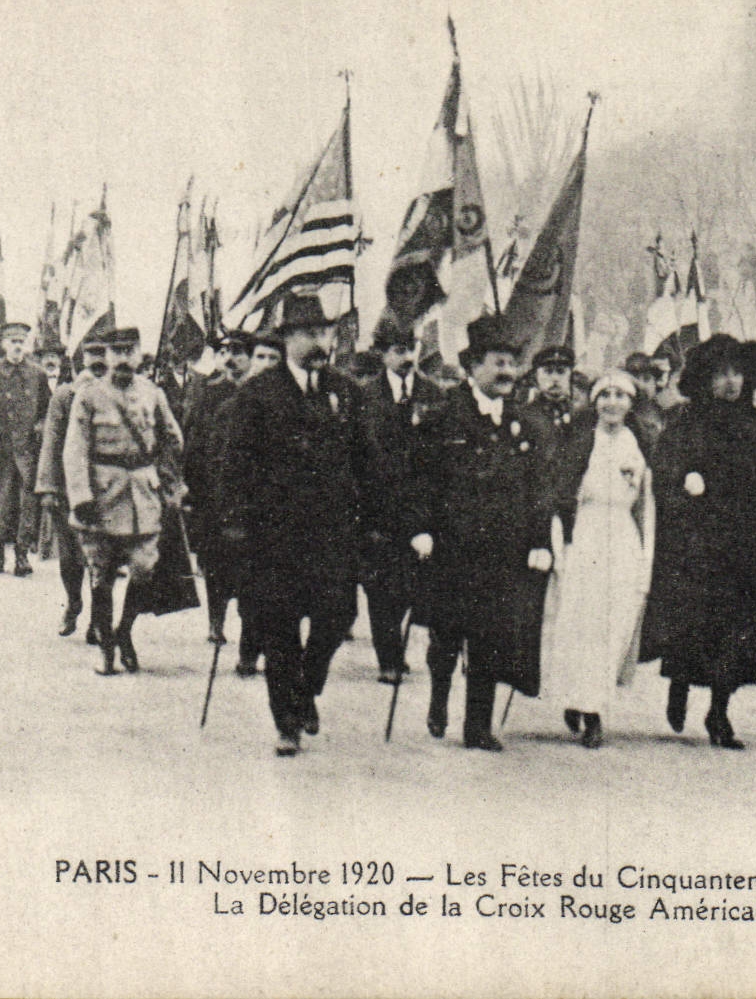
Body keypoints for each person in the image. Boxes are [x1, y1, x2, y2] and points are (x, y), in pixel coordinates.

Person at [214, 298, 362, 755]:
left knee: (338, 616)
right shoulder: (258, 395)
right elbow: (232, 465)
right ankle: (287, 724)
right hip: (274, 536)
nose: (321, 342)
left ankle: (306, 686)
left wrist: (381, 518)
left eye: (325, 333)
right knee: (279, 629)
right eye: (310, 334)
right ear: (288, 338)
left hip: (332, 534)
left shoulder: (345, 390)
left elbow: (367, 460)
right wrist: (235, 524)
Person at [408, 313, 554, 751]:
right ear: (473, 367)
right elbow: (420, 479)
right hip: (453, 547)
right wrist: (420, 529)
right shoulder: (443, 417)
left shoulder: (526, 424)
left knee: (490, 637)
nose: (507, 371)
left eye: (512, 362)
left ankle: (478, 727)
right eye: (498, 362)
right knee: (448, 634)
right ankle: (438, 697)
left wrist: (540, 541)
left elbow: (538, 490)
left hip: (502, 551)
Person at [639, 334, 756, 749]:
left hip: (743, 545)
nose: (731, 382)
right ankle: (680, 684)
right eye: (721, 373)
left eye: (737, 372)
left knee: (737, 634)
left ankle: (719, 713)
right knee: (693, 628)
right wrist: (685, 482)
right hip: (696, 543)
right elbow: (663, 474)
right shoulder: (686, 422)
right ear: (705, 379)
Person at [538, 371, 654, 748]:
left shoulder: (638, 446)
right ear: (595, 401)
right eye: (605, 395)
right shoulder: (580, 442)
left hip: (621, 538)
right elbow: (561, 495)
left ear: (631, 404)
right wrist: (562, 545)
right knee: (582, 625)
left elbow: (645, 507)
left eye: (621, 395)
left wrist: (644, 555)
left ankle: (597, 707)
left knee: (613, 625)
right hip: (586, 535)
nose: (612, 402)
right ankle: (581, 704)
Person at [63, 326, 183, 675]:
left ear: (140, 353)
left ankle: (124, 632)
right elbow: (75, 450)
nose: (123, 358)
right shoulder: (89, 396)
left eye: (130, 351)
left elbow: (173, 441)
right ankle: (106, 649)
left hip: (144, 496)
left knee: (144, 569)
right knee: (100, 575)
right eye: (117, 352)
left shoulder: (153, 393)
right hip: (102, 497)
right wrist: (80, 495)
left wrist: (169, 483)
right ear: (107, 355)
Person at [358, 318, 443, 685]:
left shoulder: (434, 395)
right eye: (398, 350)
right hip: (378, 506)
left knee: (410, 584)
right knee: (380, 587)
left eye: (411, 349)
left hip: (420, 506)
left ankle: (395, 648)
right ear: (383, 354)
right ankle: (388, 658)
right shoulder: (365, 396)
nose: (407, 357)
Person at [181, 329, 253, 660]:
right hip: (215, 491)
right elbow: (194, 442)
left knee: (252, 563)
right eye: (224, 351)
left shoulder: (260, 392)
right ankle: (216, 620)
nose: (230, 357)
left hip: (253, 494)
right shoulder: (209, 393)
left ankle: (251, 626)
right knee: (216, 560)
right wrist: (194, 487)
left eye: (238, 351)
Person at [35, 334, 109, 639]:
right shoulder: (65, 395)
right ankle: (74, 602)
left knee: (101, 559)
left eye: (101, 361)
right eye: (90, 360)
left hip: (106, 488)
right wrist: (49, 488)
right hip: (68, 488)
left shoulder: (116, 394)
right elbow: (52, 443)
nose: (96, 367)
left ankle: (97, 621)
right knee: (70, 558)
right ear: (80, 362)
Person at [0, 322, 51, 575]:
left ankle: (22, 555)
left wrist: (40, 428)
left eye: (21, 341)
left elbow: (45, 410)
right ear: (3, 344)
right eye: (12, 341)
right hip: (0, 451)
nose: (17, 346)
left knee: (26, 505)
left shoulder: (37, 374)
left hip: (26, 452)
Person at [623, 351, 665, 453]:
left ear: (656, 382)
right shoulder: (626, 418)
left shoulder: (665, 413)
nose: (641, 385)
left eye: (647, 379)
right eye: (635, 379)